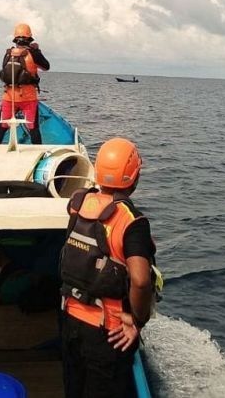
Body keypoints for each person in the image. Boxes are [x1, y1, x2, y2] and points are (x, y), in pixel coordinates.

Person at [60, 138, 157, 398]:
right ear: (134, 178)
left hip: (70, 318)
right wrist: (137, 320)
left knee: (75, 389)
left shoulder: (77, 203)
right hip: (109, 331)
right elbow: (140, 280)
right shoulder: (132, 222)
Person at [0, 23, 50, 145]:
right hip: (28, 97)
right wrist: (37, 50)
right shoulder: (33, 53)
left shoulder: (8, 53)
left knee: (2, 127)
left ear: (15, 39)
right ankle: (38, 155)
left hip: (8, 97)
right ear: (29, 38)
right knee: (33, 128)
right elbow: (46, 67)